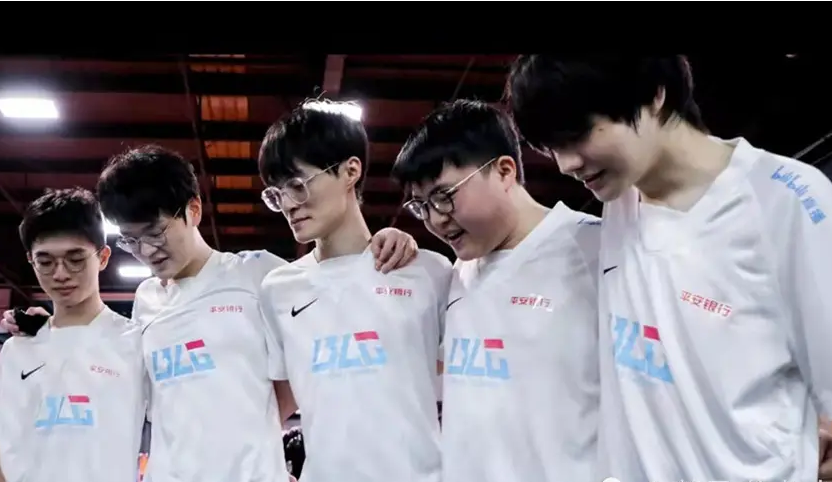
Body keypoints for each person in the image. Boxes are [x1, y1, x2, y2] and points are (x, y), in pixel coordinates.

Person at [1, 145, 418, 482]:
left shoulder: (259, 274)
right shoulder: (146, 299)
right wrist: (44, 327)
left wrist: (384, 241)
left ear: (194, 210)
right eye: (131, 240)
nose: (146, 251)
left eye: (156, 233)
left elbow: (331, 301)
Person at [508, 55, 832, 481]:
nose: (566, 164)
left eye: (576, 134)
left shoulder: (788, 200)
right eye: (551, 148)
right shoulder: (620, 202)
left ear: (654, 94)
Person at [390, 99, 601, 482]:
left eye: (444, 196)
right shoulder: (457, 274)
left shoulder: (594, 250)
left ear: (504, 171)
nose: (436, 220)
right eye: (421, 206)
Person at [257, 100, 449, 482]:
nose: (288, 205)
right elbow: (276, 402)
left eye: (297, 186)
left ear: (350, 171)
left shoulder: (427, 272)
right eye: (276, 194)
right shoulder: (277, 290)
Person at [0, 188, 145, 482]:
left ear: (102, 257)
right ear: (31, 260)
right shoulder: (16, 350)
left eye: (75, 259)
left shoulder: (136, 342)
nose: (61, 274)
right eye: (45, 262)